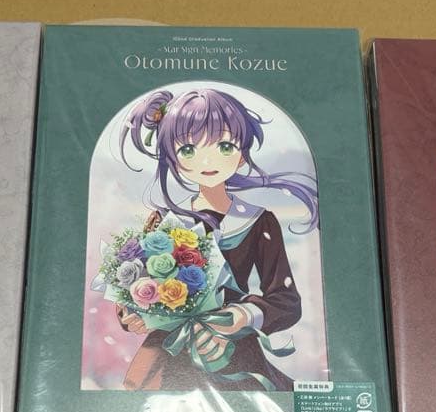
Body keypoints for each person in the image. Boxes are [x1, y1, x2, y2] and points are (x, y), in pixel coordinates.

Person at [114, 87, 319, 391]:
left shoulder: (259, 220)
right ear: (171, 157)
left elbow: (286, 301)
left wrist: (242, 315)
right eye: (188, 150)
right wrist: (133, 314)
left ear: (241, 154)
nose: (207, 160)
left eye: (224, 146)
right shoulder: (164, 219)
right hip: (170, 351)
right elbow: (135, 287)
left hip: (235, 350)